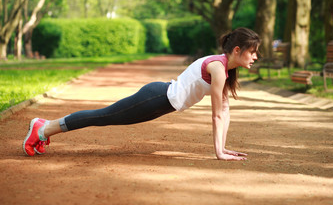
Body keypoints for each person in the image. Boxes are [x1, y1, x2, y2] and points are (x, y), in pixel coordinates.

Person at [23, 27, 260, 161]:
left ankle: (44, 127)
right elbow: (216, 115)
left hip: (160, 104)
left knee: (105, 118)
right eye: (252, 52)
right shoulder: (218, 68)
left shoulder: (225, 71)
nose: (255, 57)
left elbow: (225, 111)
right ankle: (42, 129)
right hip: (156, 97)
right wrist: (219, 152)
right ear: (237, 50)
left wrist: (223, 147)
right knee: (103, 116)